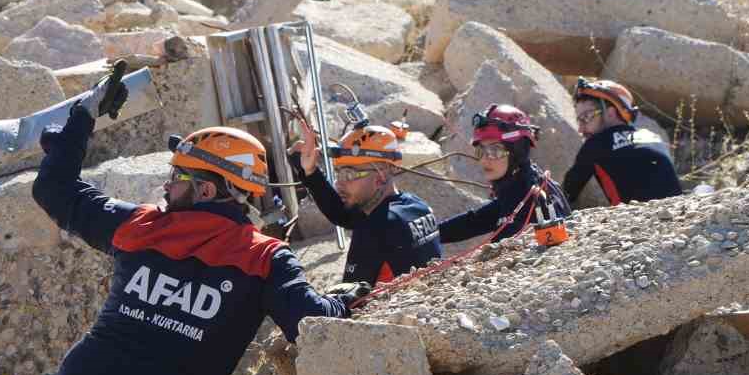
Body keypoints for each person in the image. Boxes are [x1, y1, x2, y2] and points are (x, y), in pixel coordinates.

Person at [31, 65, 361, 375]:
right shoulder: (264, 258)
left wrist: (80, 119)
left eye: (177, 177)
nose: (167, 186)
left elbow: (54, 187)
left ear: (206, 190)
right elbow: (317, 324)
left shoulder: (138, 226)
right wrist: (344, 299)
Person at [289, 113, 441, 285]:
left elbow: (350, 302)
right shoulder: (416, 207)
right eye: (339, 173)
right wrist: (309, 171)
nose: (339, 183)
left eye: (349, 173)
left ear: (381, 175)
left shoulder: (375, 227)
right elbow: (343, 215)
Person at [436, 105, 569, 245]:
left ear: (516, 153)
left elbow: (500, 248)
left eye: (495, 150)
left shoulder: (530, 197)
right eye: (480, 151)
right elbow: (474, 221)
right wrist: (427, 236)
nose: (485, 159)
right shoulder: (521, 187)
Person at [562, 78, 683, 206]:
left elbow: (566, 194)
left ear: (611, 113)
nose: (581, 129)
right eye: (579, 121)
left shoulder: (596, 144)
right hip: (679, 211)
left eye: (586, 117)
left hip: (639, 221)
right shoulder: (652, 136)